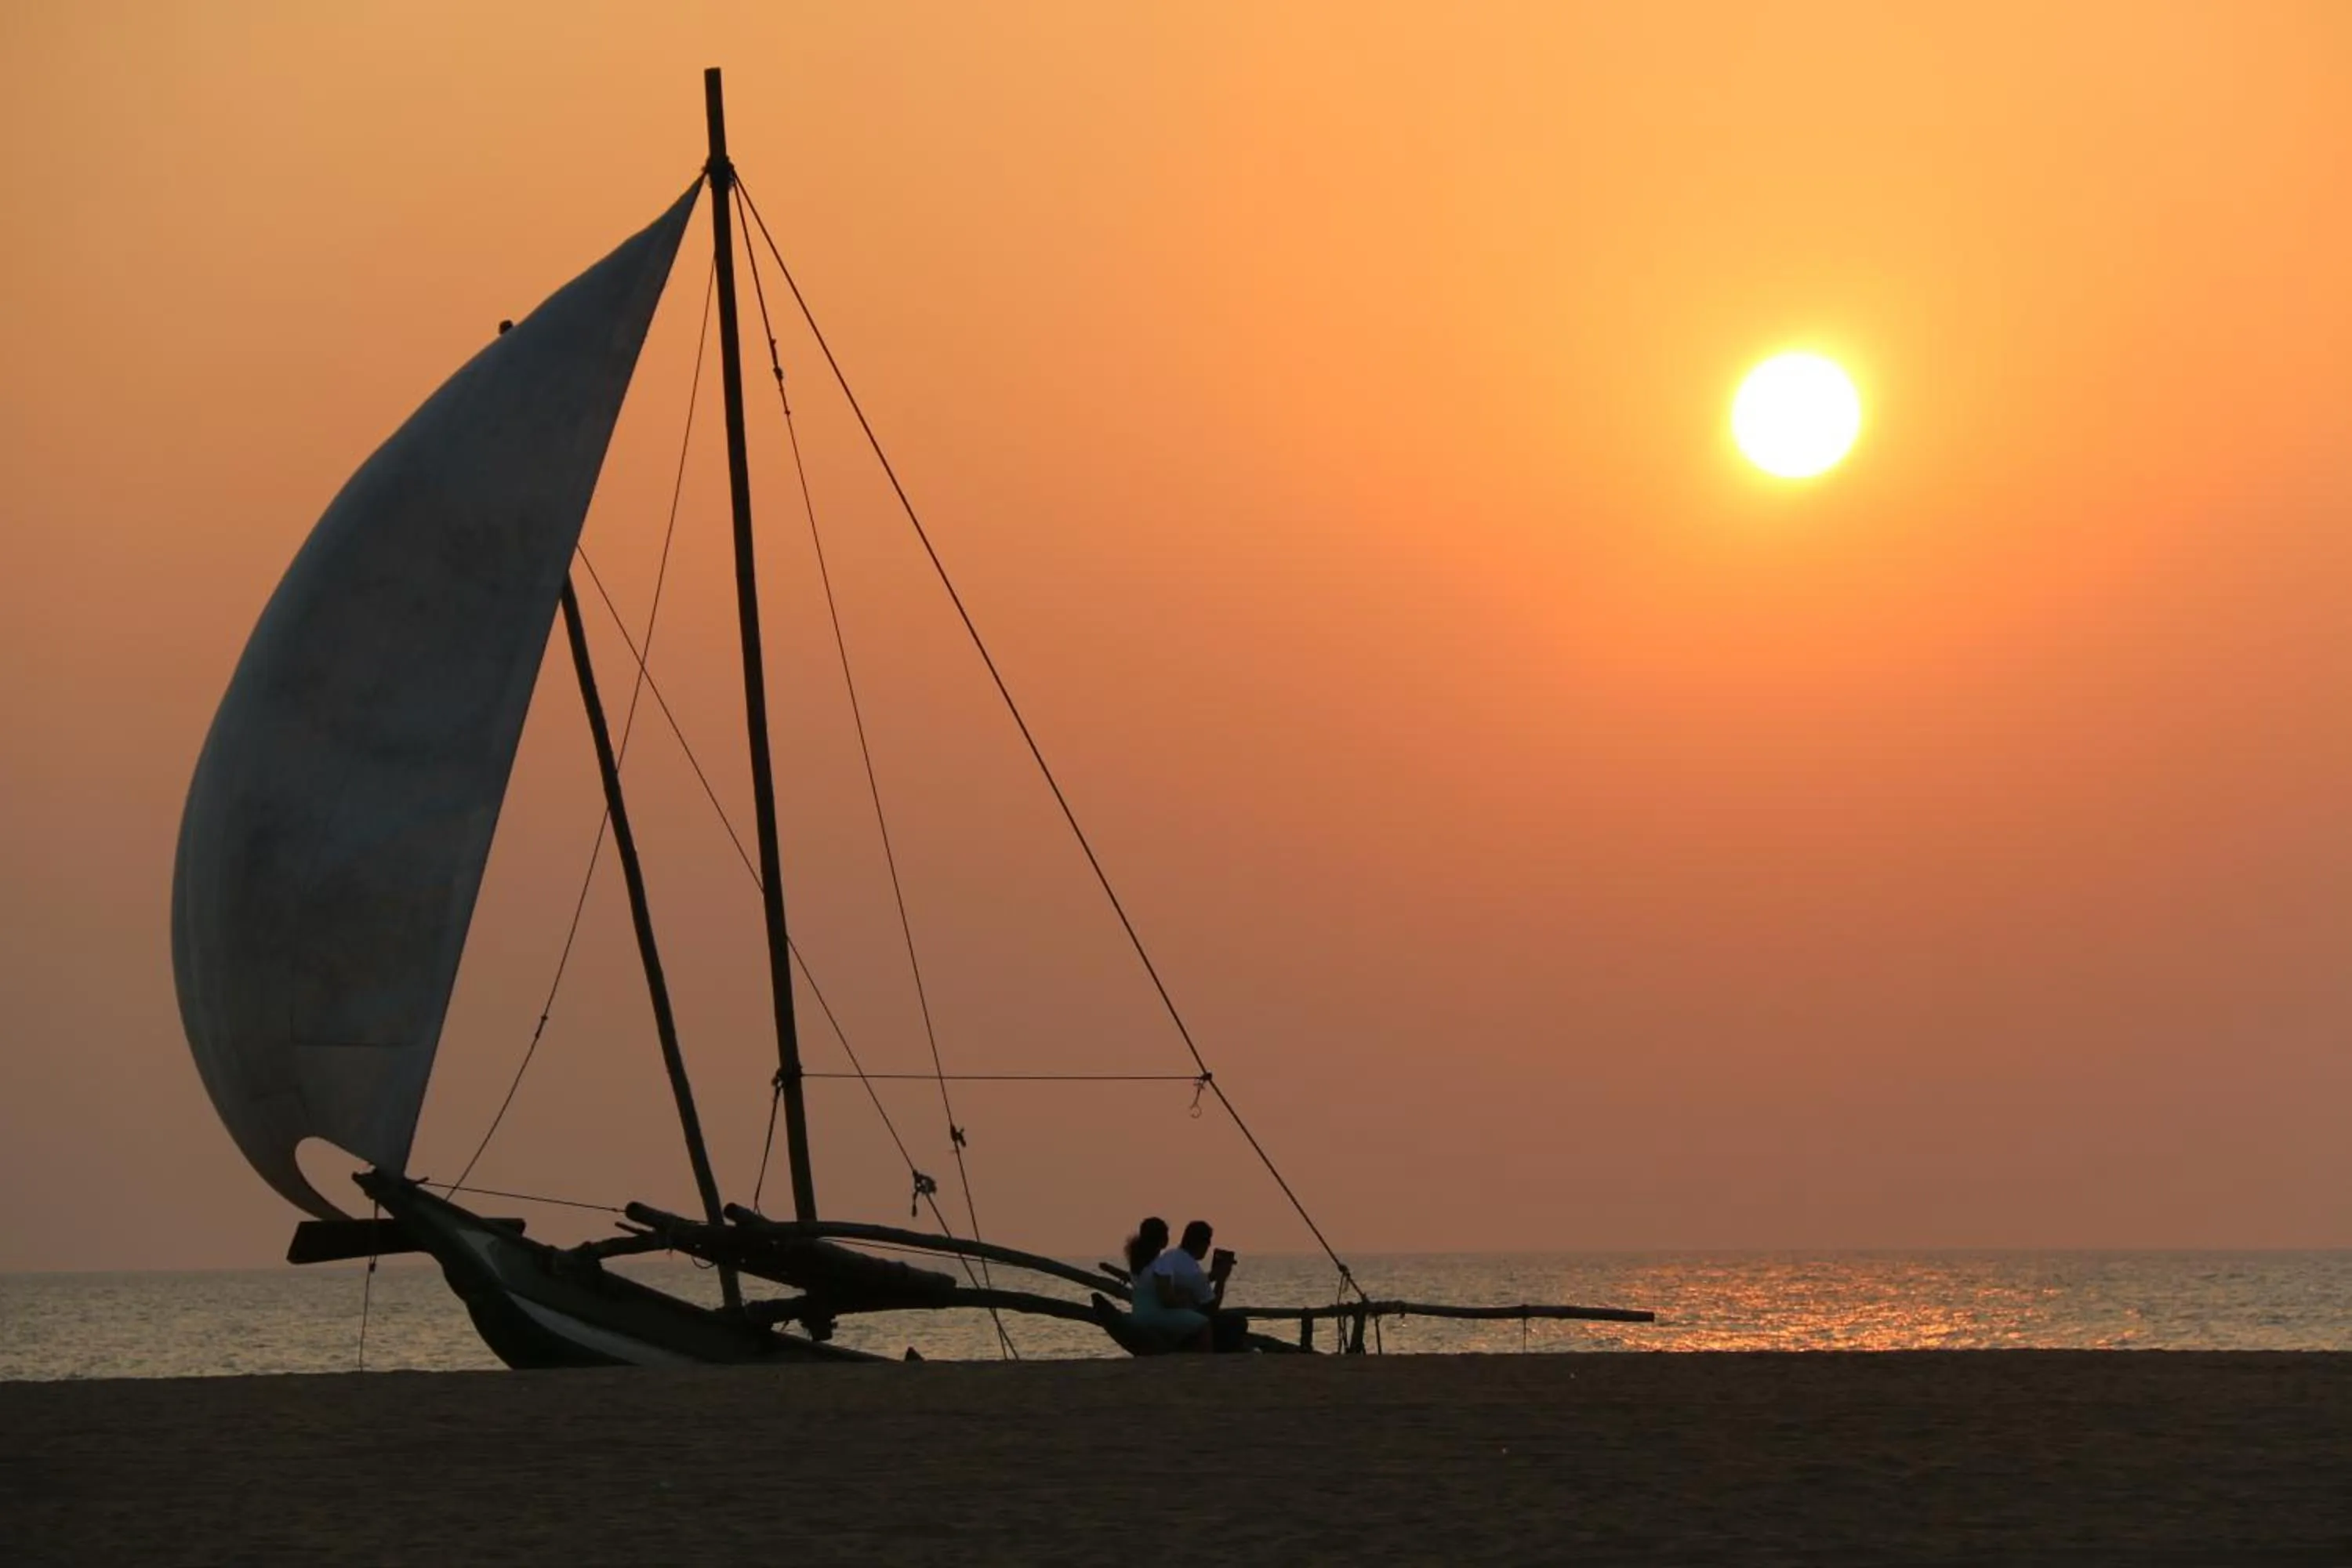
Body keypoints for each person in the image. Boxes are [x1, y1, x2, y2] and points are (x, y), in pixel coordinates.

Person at [1146, 1219, 1246, 1352]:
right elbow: (1212, 1307)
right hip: (1187, 1322)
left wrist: (1211, 1277)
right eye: (1208, 1242)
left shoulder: (1170, 1256)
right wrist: (1221, 1280)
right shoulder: (1194, 1271)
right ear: (1202, 1244)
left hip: (1167, 1315)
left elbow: (1190, 1282)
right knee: (1238, 1321)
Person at [1122, 1215, 1211, 1350]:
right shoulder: (1162, 1264)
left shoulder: (1138, 1264)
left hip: (1138, 1315)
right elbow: (1167, 1300)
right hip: (1155, 1317)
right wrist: (1185, 1302)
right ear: (1163, 1240)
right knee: (1204, 1323)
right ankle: (1206, 1359)